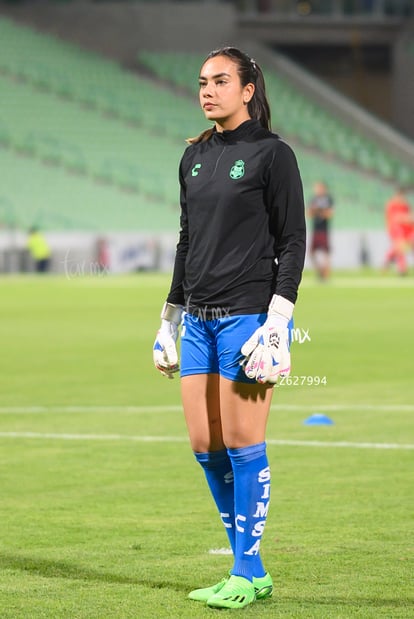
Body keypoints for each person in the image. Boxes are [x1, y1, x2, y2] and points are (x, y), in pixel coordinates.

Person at [152, 46, 306, 610]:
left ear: (247, 90)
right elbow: (186, 241)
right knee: (205, 445)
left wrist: (278, 324)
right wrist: (167, 321)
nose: (207, 90)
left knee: (244, 444)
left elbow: (292, 241)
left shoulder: (273, 154)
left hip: (248, 319)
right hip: (197, 319)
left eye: (220, 81)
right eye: (201, 82)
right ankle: (253, 568)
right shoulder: (193, 157)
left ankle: (243, 572)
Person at [383, 187, 414, 275]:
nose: (402, 198)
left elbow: (409, 216)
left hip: (407, 229)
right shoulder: (391, 205)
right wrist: (407, 218)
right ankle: (401, 269)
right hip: (396, 229)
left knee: (404, 246)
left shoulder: (405, 205)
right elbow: (395, 218)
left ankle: (388, 259)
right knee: (400, 247)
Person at [306, 181, 334, 280]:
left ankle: (326, 274)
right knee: (312, 253)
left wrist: (320, 211)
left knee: (326, 252)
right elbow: (308, 213)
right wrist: (315, 210)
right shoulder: (313, 199)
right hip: (315, 229)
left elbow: (330, 213)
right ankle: (320, 271)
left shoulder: (328, 199)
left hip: (324, 230)